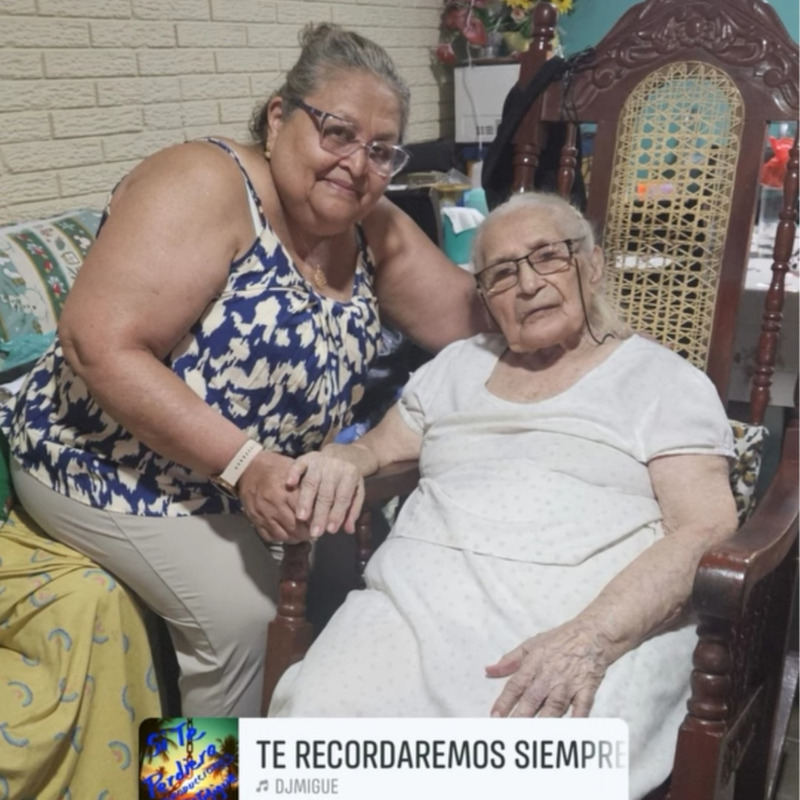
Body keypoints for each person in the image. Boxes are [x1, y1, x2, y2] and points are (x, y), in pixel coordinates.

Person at [0, 23, 483, 717]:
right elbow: (98, 345)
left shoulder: (366, 225)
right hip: (104, 460)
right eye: (338, 132)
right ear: (280, 118)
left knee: (362, 588)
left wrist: (548, 275)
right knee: (243, 626)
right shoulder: (203, 183)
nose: (357, 164)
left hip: (261, 479)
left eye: (381, 151)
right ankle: (200, 776)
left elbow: (467, 318)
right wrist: (244, 465)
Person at [270, 191, 739, 799]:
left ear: (592, 264)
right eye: (501, 273)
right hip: (415, 612)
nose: (528, 284)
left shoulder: (660, 380)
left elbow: (705, 527)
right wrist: (342, 459)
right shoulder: (456, 366)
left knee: (537, 770)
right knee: (298, 736)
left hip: (580, 626)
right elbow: (377, 450)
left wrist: (591, 638)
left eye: (548, 256)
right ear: (486, 297)